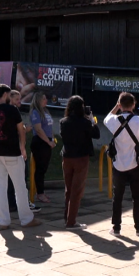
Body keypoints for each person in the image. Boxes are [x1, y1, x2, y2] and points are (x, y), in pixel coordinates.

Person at [0, 84, 41, 229]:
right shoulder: (12, 109)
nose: (10, 98)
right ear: (4, 95)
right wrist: (22, 147)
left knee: (0, 188)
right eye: (9, 95)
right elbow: (21, 130)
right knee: (20, 187)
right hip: (12, 152)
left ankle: (3, 221)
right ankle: (26, 219)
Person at [104, 92, 139, 237]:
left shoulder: (112, 121)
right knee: (137, 197)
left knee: (117, 197)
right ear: (134, 105)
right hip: (136, 164)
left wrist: (116, 106)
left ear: (119, 105)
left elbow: (106, 117)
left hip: (118, 164)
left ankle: (116, 228)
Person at [59, 96, 100, 230]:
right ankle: (71, 222)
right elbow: (97, 134)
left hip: (67, 157)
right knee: (77, 191)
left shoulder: (63, 122)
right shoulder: (85, 122)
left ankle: (67, 217)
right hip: (81, 158)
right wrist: (92, 118)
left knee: (68, 189)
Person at [29, 92, 55, 204]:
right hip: (40, 142)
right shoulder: (35, 112)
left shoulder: (46, 111)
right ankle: (39, 193)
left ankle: (41, 192)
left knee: (43, 169)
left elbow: (50, 127)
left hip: (47, 141)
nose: (46, 100)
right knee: (40, 169)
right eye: (44, 98)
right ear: (39, 100)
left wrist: (52, 140)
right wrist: (48, 142)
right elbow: (38, 130)